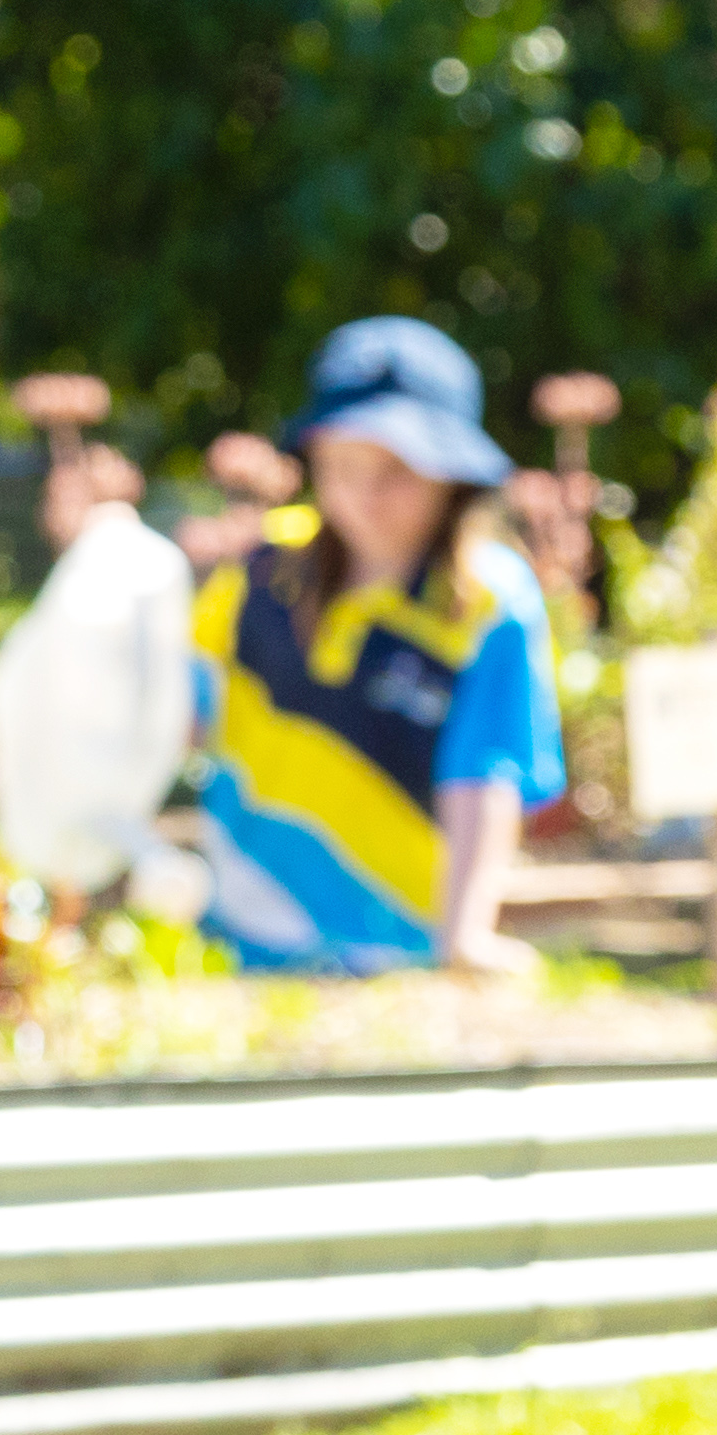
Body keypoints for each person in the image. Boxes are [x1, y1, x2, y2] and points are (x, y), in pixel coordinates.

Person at [184, 316, 564, 975]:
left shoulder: (487, 602)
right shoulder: (260, 571)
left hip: (400, 958)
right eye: (341, 465)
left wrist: (465, 936)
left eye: (396, 469)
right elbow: (180, 716)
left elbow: (484, 774)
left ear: (453, 474)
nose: (365, 494)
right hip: (237, 949)